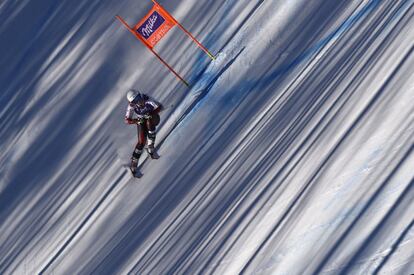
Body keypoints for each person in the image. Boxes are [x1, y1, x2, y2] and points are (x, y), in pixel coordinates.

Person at [125, 89, 163, 174]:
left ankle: (150, 146)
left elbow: (159, 106)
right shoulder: (131, 106)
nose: (138, 101)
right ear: (132, 103)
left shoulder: (147, 98)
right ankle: (134, 162)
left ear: (140, 94)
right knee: (141, 141)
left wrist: (151, 113)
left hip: (153, 118)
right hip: (141, 120)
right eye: (135, 101)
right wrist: (136, 121)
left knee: (149, 121)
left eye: (138, 98)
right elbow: (127, 120)